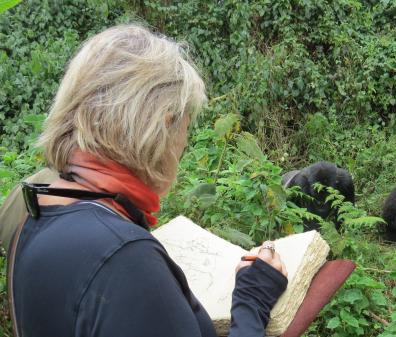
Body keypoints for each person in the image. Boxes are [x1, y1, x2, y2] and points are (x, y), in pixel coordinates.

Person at [9, 24, 288, 337]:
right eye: (186, 127)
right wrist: (252, 302)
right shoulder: (126, 261)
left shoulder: (38, 213)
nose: (184, 143)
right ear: (163, 125)